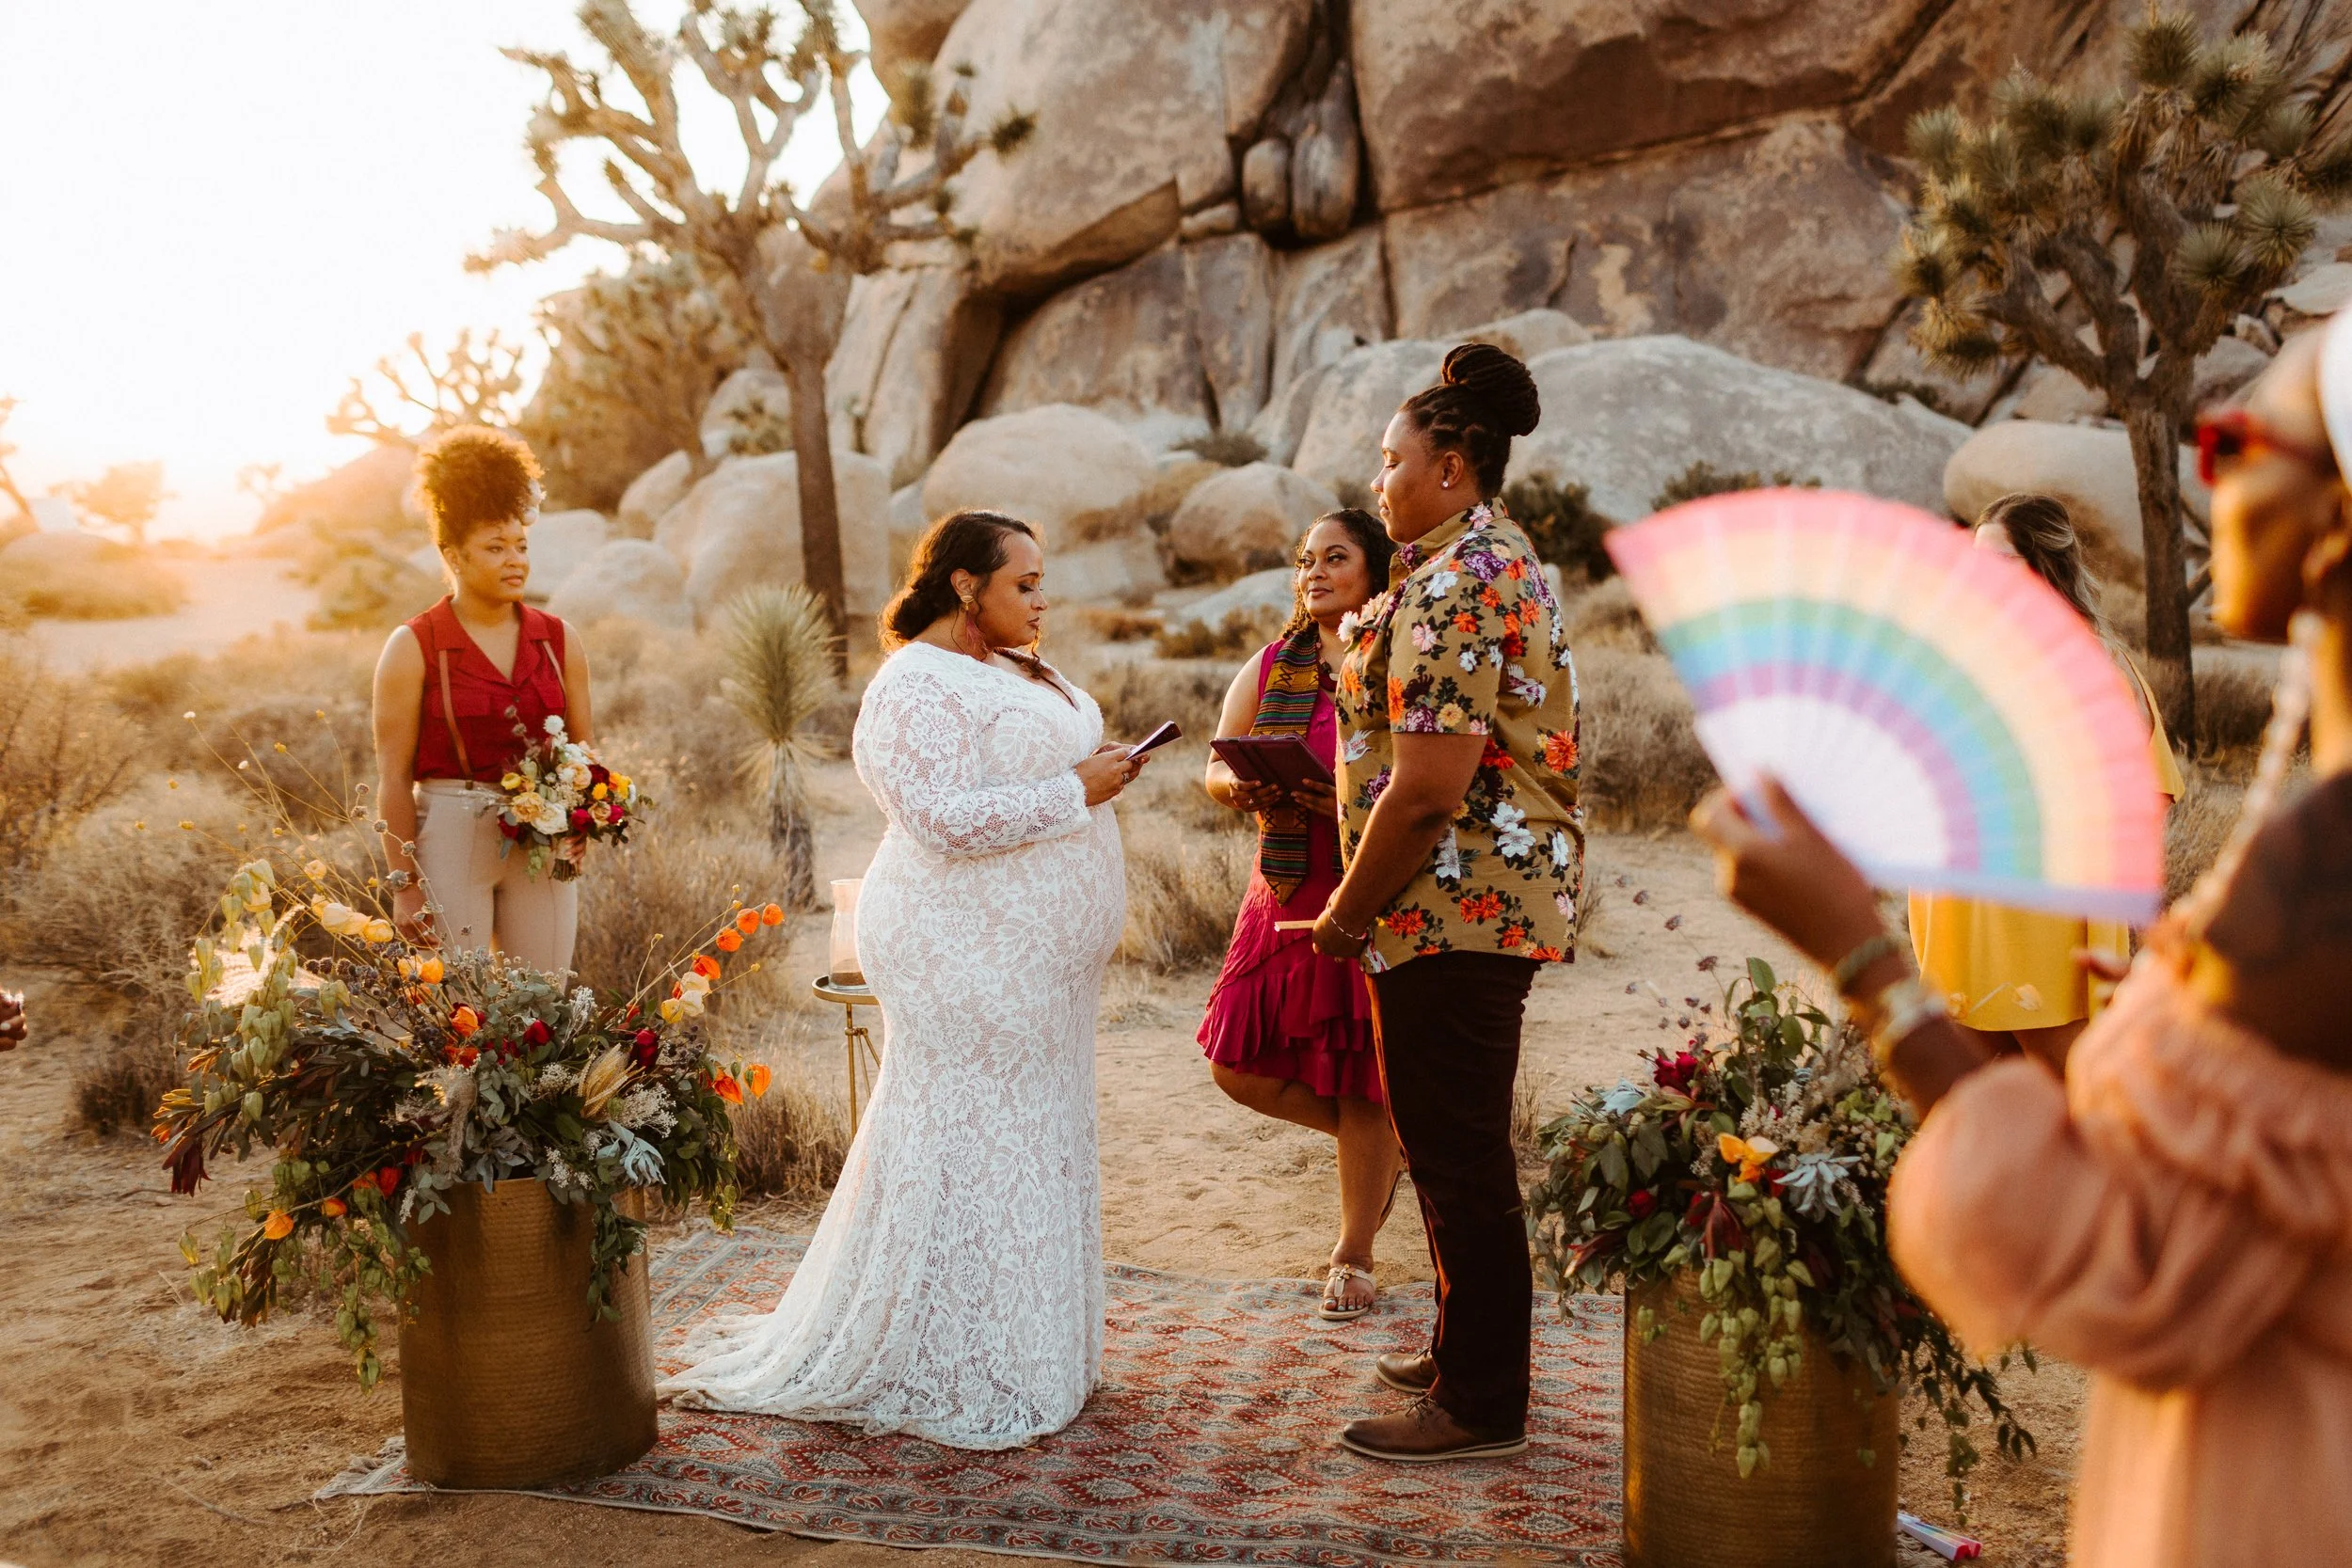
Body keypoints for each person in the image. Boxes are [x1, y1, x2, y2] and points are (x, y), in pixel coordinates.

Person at [1688, 320, 2352, 1567]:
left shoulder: (2330, 866)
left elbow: (2106, 1245)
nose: (2214, 466)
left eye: (2243, 436)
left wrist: (1854, 952)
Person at [662, 510, 1151, 1449]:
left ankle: (1029, 1344)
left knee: (1027, 1138)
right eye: (1024, 583)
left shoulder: (1011, 665)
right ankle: (960, 1356)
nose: (1042, 599)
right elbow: (937, 817)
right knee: (978, 1139)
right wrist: (1073, 791)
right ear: (967, 585)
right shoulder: (911, 686)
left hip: (1036, 966)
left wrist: (1096, 772)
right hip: (958, 951)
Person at [1310, 343, 1584, 1462]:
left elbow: (1427, 791)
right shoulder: (1465, 562)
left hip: (1451, 901)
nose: (1379, 482)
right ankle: (1460, 1344)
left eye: (1392, 460)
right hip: (1451, 904)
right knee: (1446, 1142)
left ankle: (1478, 1402)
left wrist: (1342, 913)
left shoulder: (1462, 579)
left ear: (1455, 468)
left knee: (1461, 1149)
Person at [1199, 509, 1400, 1322]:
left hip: (1363, 887)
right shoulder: (1272, 663)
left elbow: (1422, 777)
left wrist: (1344, 801)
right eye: (1306, 560)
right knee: (1235, 1063)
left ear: (1376, 571)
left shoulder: (1394, 659)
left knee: (1362, 1075)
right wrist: (1239, 787)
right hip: (1281, 885)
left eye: (1336, 557)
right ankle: (1385, 1156)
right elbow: (1217, 760)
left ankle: (1353, 1250)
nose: (1314, 572)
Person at [1907, 491, 2185, 1071]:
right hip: (1960, 914)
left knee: (2073, 1101)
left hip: (2038, 929)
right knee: (1973, 1106)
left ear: (2045, 567)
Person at [371, 426, 593, 977]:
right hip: (449, 836)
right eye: (495, 547)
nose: (514, 560)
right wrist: (404, 888)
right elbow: (394, 779)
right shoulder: (413, 646)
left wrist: (582, 819)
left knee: (547, 1008)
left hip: (539, 845)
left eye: (521, 545)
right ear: (453, 554)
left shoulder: (559, 639)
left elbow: (583, 749)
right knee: (461, 1016)